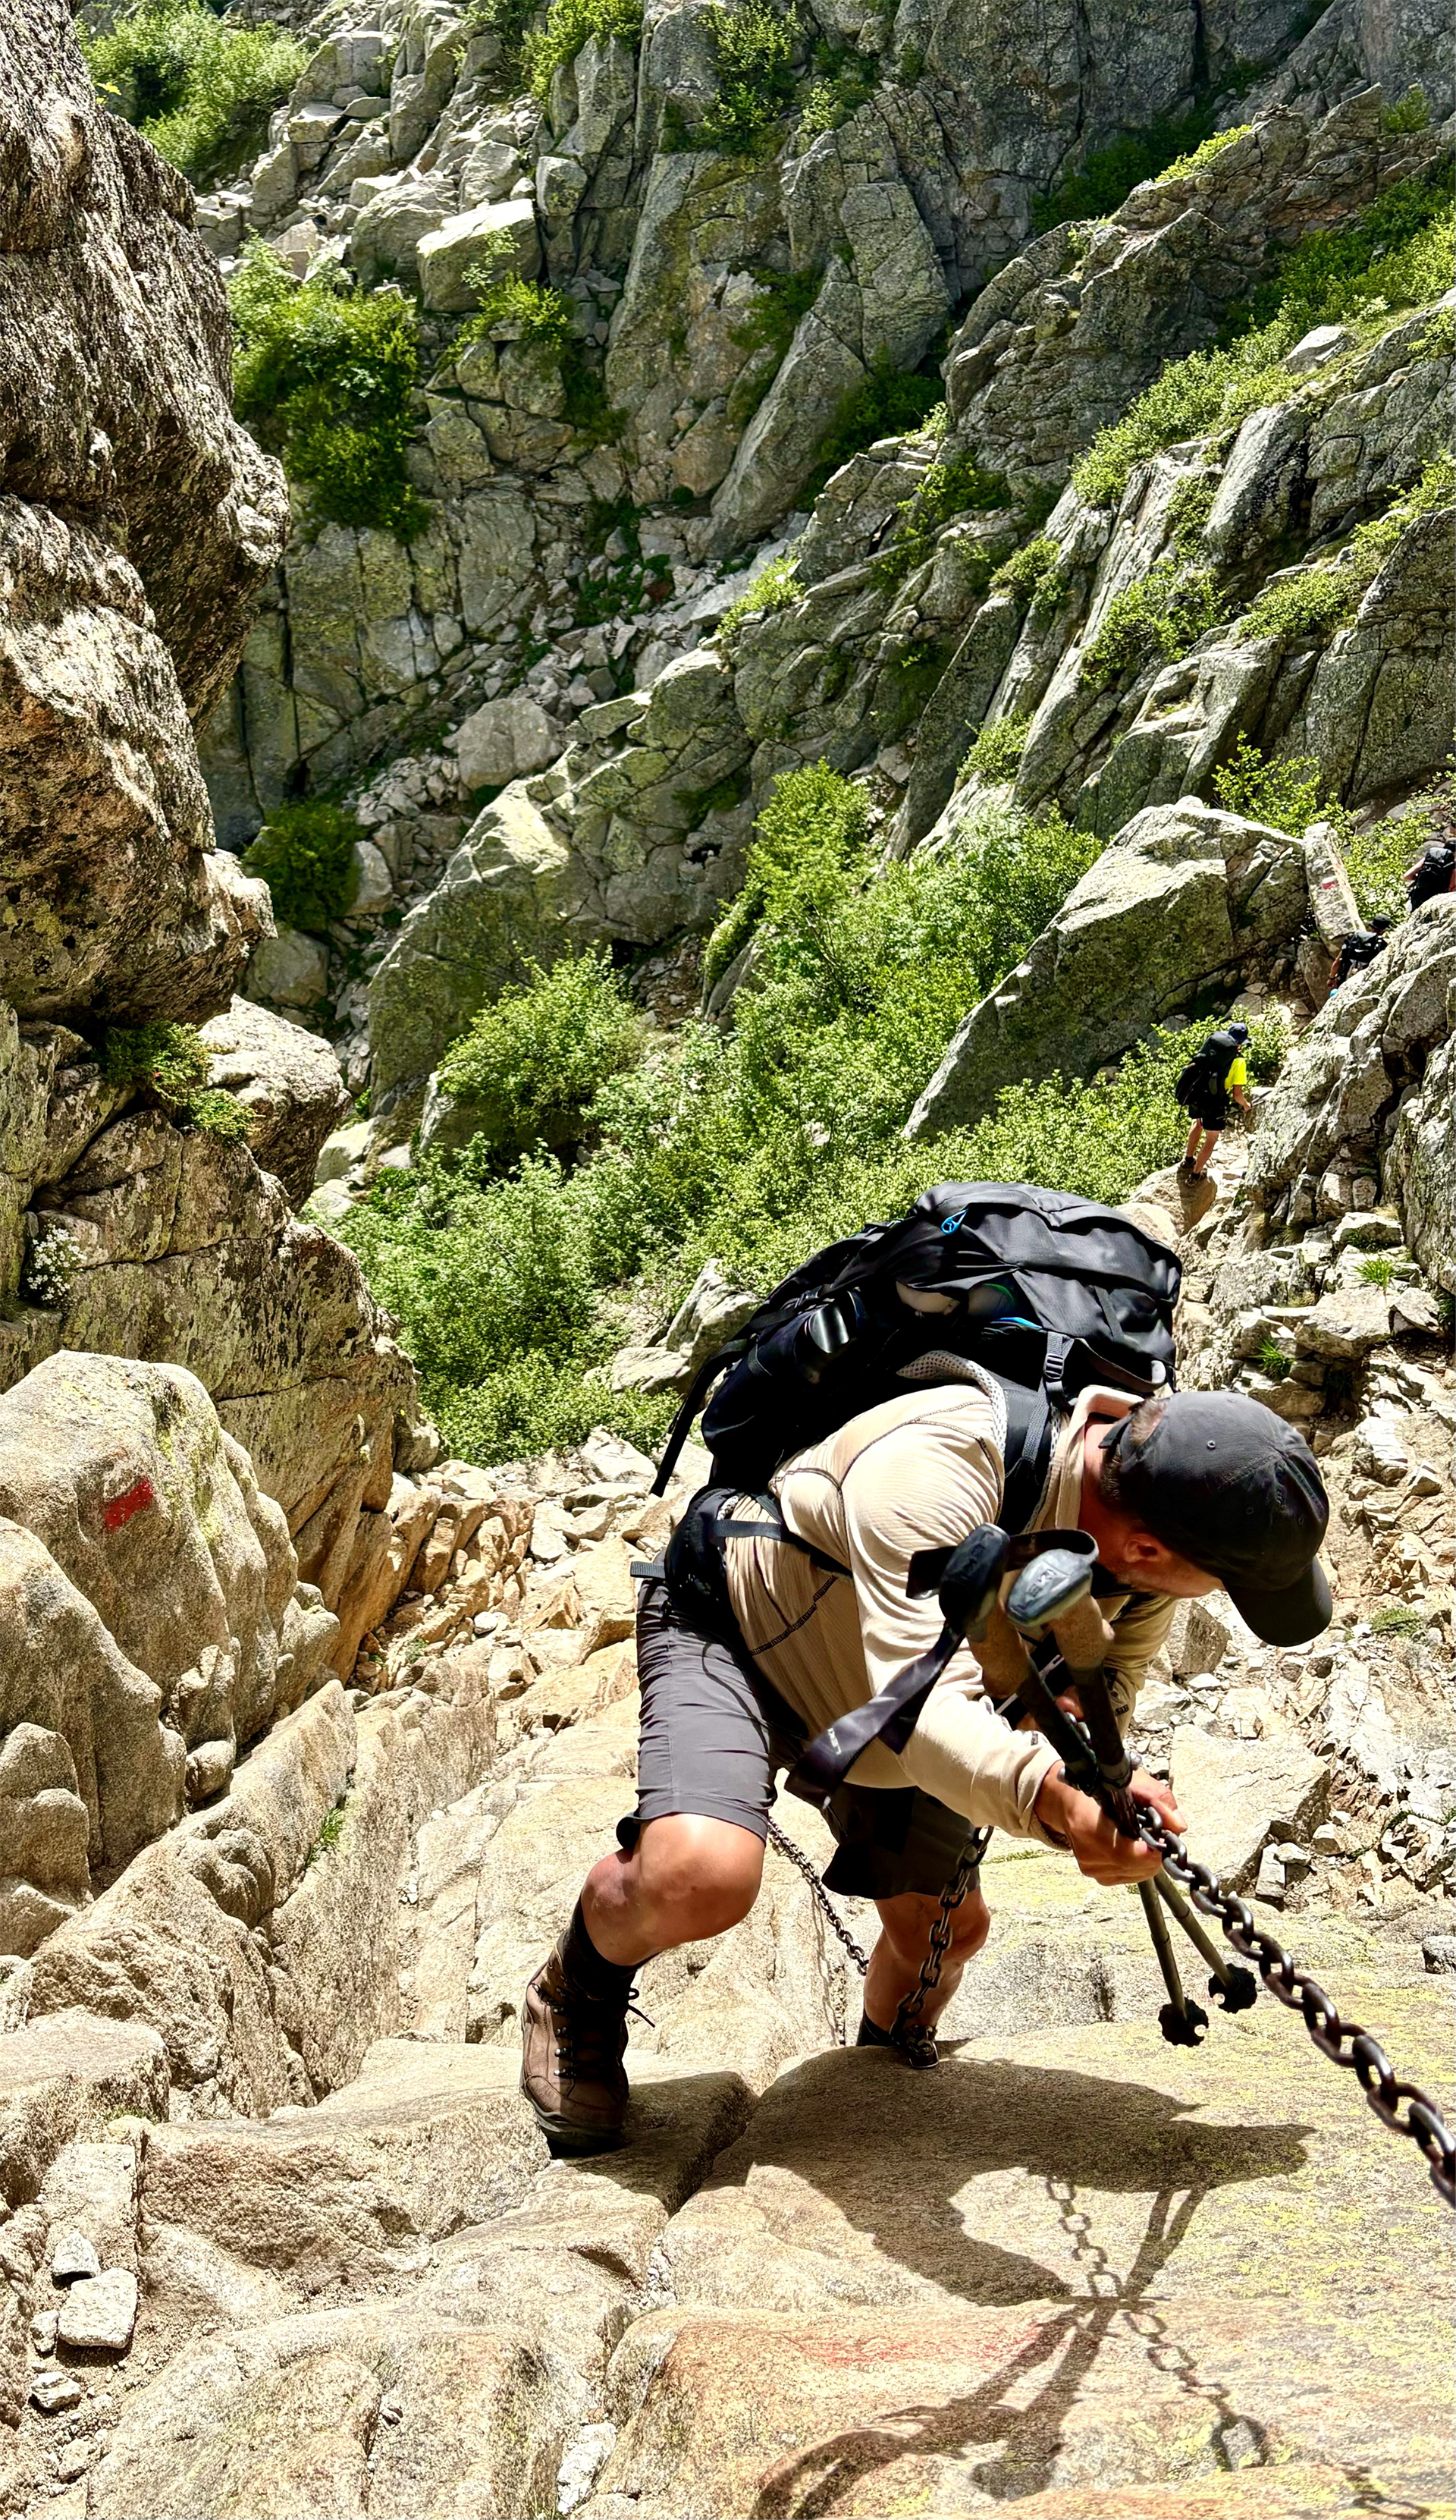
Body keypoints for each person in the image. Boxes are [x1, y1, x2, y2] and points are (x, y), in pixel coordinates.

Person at [520, 1381, 1332, 2152]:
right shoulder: (936, 1463)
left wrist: (1093, 1774)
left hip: (897, 1702)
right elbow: (923, 1711)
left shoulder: (1139, 1554)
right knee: (700, 1874)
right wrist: (1050, 1796)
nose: (1211, 1596)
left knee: (941, 1937)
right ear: (1149, 1546)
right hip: (742, 1635)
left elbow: (1106, 1686)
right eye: (1222, 1583)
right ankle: (575, 1990)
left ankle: (875, 2075)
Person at [1178, 1021, 1251, 1180]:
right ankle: (1195, 1176)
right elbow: (1237, 1095)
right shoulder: (1239, 1061)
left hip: (1197, 1094)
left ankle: (1188, 1160)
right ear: (1240, 1044)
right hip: (1214, 1102)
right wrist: (1246, 1105)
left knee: (1198, 1124)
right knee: (1211, 1139)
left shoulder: (1212, 1047)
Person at [1329, 915, 1392, 992]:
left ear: (1370, 926)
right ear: (1383, 931)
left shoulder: (1353, 938)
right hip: (1364, 984)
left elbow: (1338, 961)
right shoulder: (1381, 944)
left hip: (1344, 981)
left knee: (1334, 993)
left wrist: (1331, 978)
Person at [1405, 837, 1456, 911]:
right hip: (1438, 902)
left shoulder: (1430, 858)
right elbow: (1452, 888)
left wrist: (1422, 878)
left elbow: (1407, 876)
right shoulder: (1453, 865)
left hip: (1418, 899)